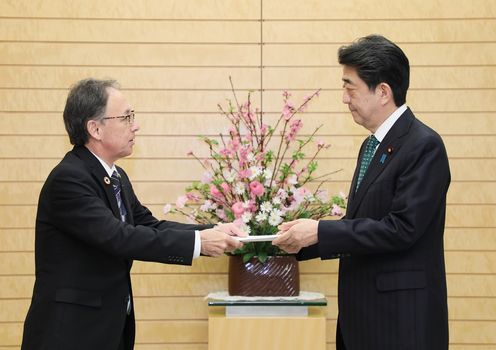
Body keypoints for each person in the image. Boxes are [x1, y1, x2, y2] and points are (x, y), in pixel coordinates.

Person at [21, 78, 245, 350]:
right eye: (126, 117)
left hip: (107, 329)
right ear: (95, 129)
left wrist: (210, 231)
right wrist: (198, 244)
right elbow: (119, 237)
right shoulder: (69, 179)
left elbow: (149, 225)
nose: (135, 125)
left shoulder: (115, 176)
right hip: (71, 333)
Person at [273, 35, 450, 350]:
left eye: (349, 87)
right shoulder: (371, 146)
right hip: (363, 321)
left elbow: (401, 229)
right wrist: (297, 243)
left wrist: (318, 232)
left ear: (383, 91)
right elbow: (362, 223)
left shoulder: (424, 145)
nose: (344, 98)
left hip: (401, 324)